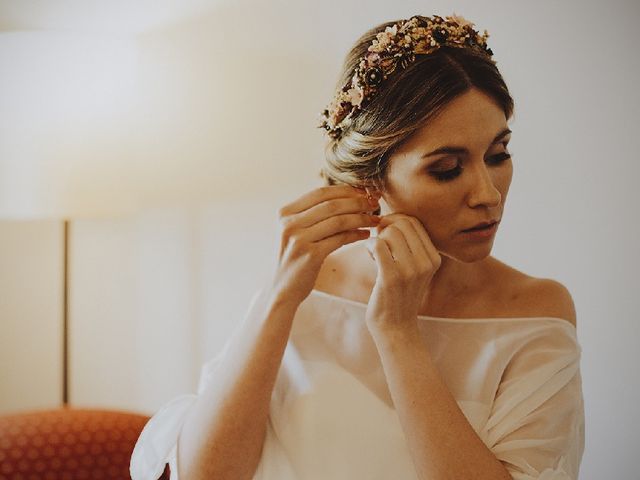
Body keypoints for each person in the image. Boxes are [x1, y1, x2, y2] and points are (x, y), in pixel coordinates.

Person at [130, 13, 584, 480]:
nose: (487, 193)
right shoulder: (307, 284)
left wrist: (398, 333)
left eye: (498, 155)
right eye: (447, 168)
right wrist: (279, 295)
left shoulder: (534, 309)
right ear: (371, 179)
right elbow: (209, 474)